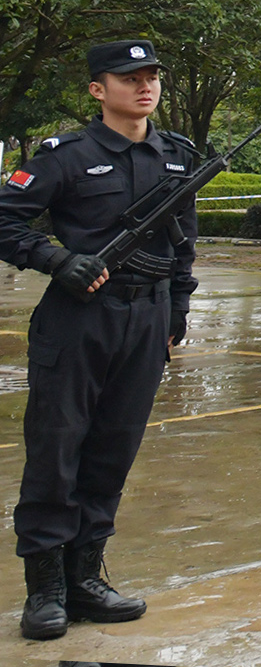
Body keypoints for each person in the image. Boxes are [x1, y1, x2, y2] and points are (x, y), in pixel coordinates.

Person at [0, 40, 193, 640]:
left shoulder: (177, 156)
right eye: (129, 77)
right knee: (58, 451)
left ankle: (86, 577)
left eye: (152, 77)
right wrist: (57, 259)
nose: (145, 87)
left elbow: (183, 243)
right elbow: (5, 220)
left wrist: (176, 313)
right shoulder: (64, 156)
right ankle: (47, 590)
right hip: (79, 319)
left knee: (113, 452)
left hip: (146, 319)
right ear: (97, 89)